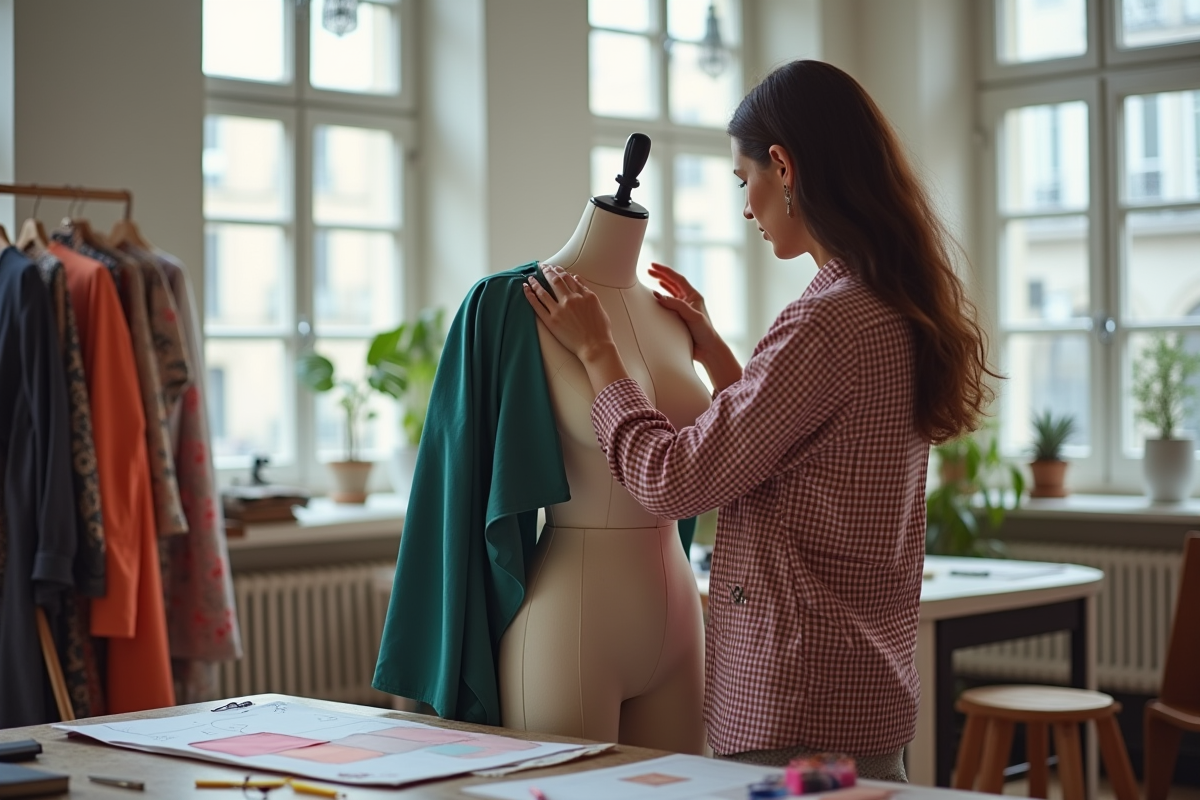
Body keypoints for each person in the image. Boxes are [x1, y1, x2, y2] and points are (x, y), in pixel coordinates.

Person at [523, 60, 997, 781]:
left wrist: (600, 356)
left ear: (784, 166)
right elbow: (800, 451)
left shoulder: (824, 321)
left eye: (744, 181)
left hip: (799, 700)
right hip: (864, 690)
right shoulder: (889, 306)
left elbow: (673, 480)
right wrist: (716, 353)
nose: (746, 207)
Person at [498, 146, 709, 754]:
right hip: (573, 614)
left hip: (676, 605)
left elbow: (732, 439)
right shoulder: (518, 305)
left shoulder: (675, 314)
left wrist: (711, 345)